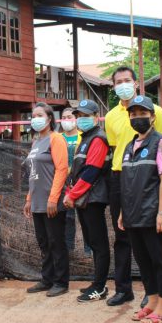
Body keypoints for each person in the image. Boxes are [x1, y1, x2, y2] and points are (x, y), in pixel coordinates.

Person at [105, 66, 162, 307]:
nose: (123, 84)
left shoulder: (157, 111)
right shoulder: (111, 116)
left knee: (151, 238)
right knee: (122, 235)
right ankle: (123, 289)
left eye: (127, 80)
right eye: (118, 81)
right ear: (114, 87)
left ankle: (152, 292)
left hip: (149, 177)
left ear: (136, 83)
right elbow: (116, 147)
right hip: (120, 177)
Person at [118, 96, 162, 323]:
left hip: (153, 214)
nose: (137, 118)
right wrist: (123, 212)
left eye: (142, 113)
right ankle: (151, 301)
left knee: (160, 260)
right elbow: (127, 182)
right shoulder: (128, 146)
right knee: (143, 260)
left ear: (152, 117)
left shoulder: (161, 143)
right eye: (133, 114)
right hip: (132, 214)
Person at [63, 100, 111, 302]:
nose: (81, 119)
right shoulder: (85, 138)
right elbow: (77, 171)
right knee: (92, 241)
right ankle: (96, 282)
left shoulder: (98, 138)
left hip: (93, 198)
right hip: (84, 198)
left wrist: (72, 195)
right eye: (79, 116)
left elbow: (91, 172)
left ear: (96, 117)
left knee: (98, 243)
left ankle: (100, 287)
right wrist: (72, 191)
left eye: (85, 116)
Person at [24, 103, 70, 297]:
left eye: (39, 115)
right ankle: (47, 279)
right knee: (43, 242)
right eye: (33, 115)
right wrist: (29, 199)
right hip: (37, 201)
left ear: (49, 118)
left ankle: (61, 282)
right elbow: (32, 173)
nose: (35, 119)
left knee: (56, 242)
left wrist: (53, 198)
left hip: (52, 201)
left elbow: (62, 169)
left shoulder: (56, 138)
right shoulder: (35, 142)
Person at [61, 107, 90, 255]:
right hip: (63, 182)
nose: (67, 120)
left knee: (86, 216)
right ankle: (69, 249)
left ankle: (89, 250)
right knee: (68, 217)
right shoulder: (58, 138)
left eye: (70, 117)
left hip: (81, 180)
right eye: (64, 117)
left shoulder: (83, 137)